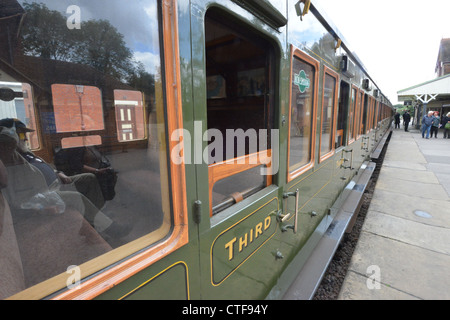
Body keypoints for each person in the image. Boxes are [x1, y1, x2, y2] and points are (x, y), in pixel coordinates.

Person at [0, 120, 130, 239]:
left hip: (57, 181)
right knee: (75, 196)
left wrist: (59, 172)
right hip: (44, 192)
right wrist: (10, 133)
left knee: (89, 178)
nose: (26, 139)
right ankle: (110, 228)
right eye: (22, 135)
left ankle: (97, 217)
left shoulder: (27, 152)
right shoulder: (10, 155)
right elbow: (6, 139)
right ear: (15, 138)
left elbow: (45, 167)